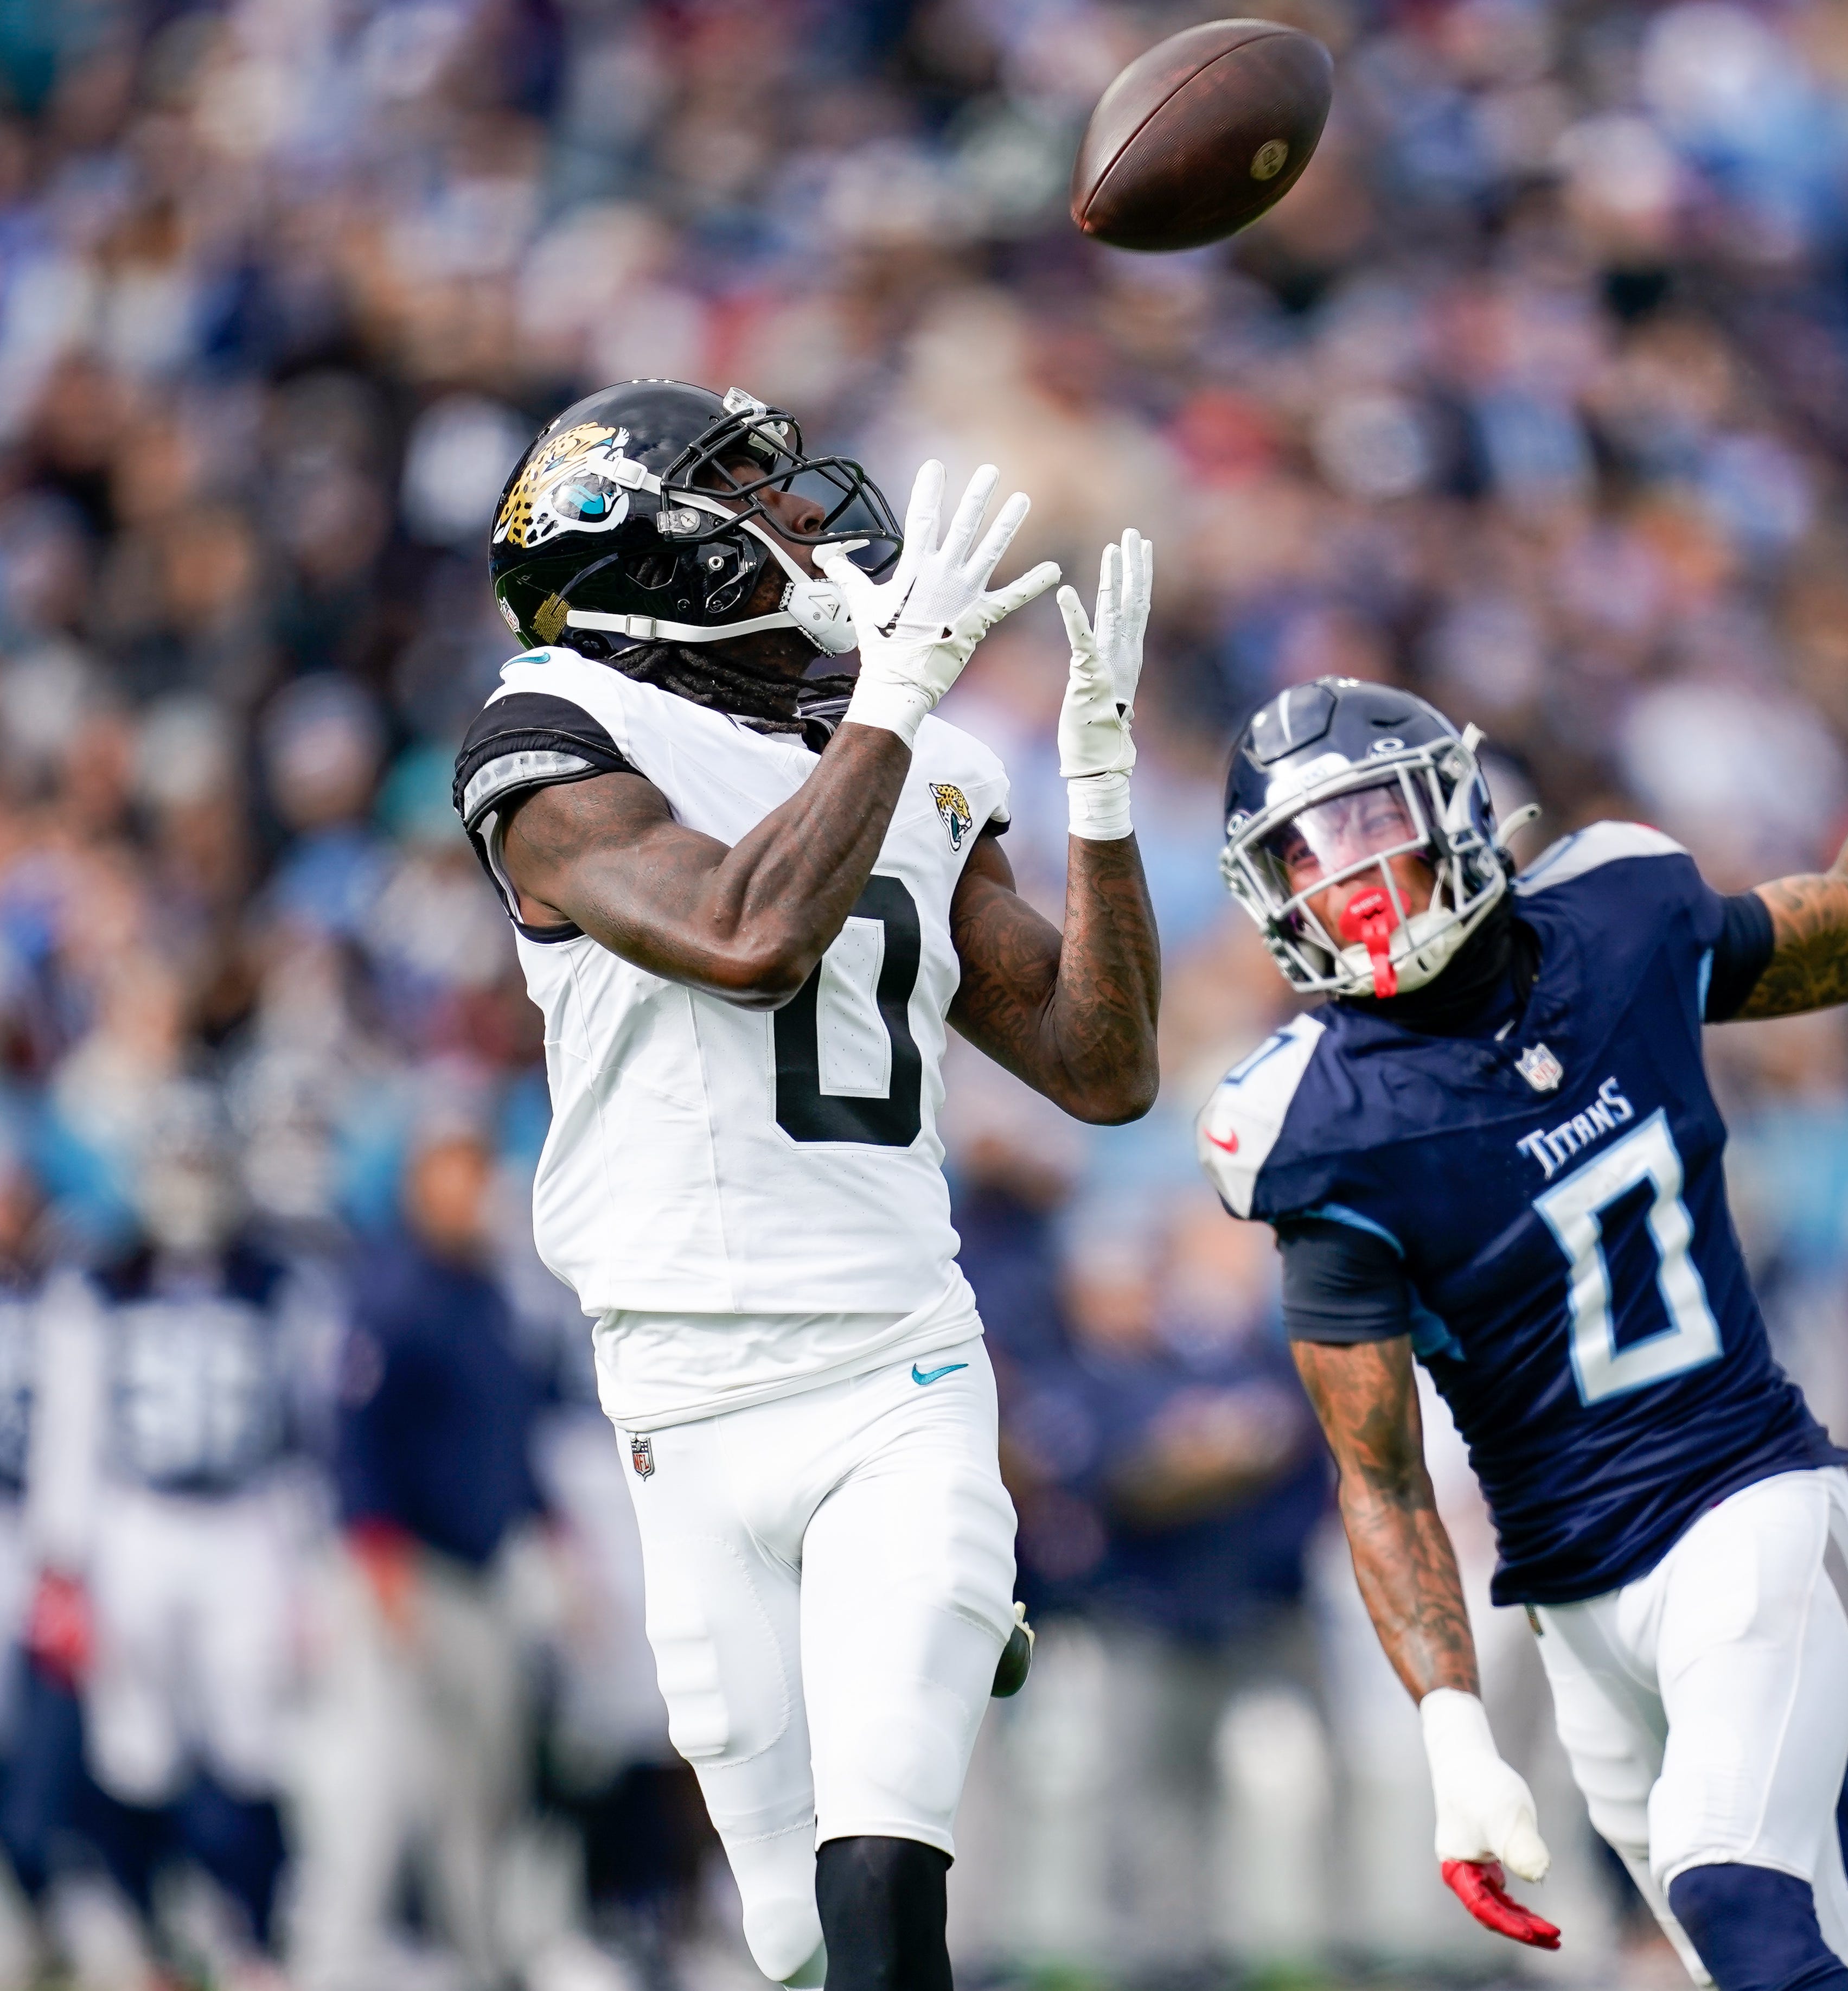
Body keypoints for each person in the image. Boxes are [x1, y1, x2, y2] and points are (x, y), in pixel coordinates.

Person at [1195, 421, 1848, 1991]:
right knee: (1779, 1955)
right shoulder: (1319, 1124)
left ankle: (1835, 1559)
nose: (1361, 889)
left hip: (1740, 1495)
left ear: (1457, 810)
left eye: (1379, 834)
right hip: (1571, 1591)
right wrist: (1454, 1730)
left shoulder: (1616, 911)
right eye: (1314, 862)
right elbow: (1378, 1474)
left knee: (1736, 1898)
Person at [452, 380, 1162, 1991]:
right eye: (746, 491)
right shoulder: (556, 731)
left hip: (890, 1359)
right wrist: (891, 704)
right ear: (638, 553)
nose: (797, 516)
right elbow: (742, 937)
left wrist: (1099, 796)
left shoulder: (904, 749)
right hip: (677, 1390)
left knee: (883, 1873)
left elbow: (1099, 1064)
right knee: (787, 1926)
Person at [24, 1083, 329, 1973]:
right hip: (138, 1522)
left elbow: (302, 1428)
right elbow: (71, 1426)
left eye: (202, 1161)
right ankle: (145, 1917)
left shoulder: (275, 1279)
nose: (190, 1182)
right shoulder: (99, 1278)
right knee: (134, 1739)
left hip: (243, 1521)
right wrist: (64, 1563)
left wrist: (307, 1552)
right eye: (176, 1162)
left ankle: (251, 1924)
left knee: (254, 1731)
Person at [291, 1118, 549, 1989]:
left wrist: (546, 1526)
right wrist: (380, 1558)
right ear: (419, 1186)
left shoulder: (486, 1290)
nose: (477, 1194)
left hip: (478, 1573)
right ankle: (330, 1964)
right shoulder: (393, 1290)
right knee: (373, 1785)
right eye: (457, 1175)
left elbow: (507, 1434)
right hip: (400, 1571)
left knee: (479, 1794)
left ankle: (479, 1962)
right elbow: (355, 1440)